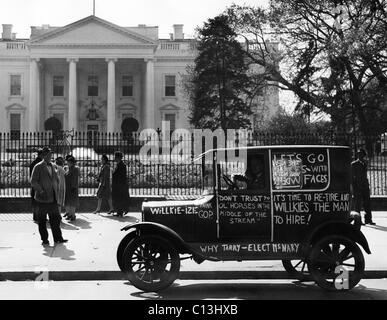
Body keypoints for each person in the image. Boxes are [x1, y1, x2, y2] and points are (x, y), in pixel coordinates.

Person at [30, 147, 68, 246]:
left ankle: (58, 238)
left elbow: (56, 179)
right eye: (48, 154)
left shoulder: (53, 166)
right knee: (42, 221)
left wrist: (57, 188)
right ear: (43, 155)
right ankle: (45, 240)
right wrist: (41, 191)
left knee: (55, 219)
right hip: (42, 199)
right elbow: (33, 181)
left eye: (51, 154)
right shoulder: (38, 166)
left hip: (53, 198)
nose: (50, 156)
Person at [351, 149, 376, 226]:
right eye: (359, 154)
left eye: (361, 154)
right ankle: (358, 220)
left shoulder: (365, 163)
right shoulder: (354, 164)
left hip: (365, 185)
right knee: (357, 205)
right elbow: (351, 177)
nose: (360, 156)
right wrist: (353, 187)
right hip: (357, 186)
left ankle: (368, 219)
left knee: (367, 203)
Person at [112, 151, 130, 217]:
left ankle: (120, 212)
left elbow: (121, 176)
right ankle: (119, 212)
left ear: (119, 158)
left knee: (120, 199)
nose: (114, 158)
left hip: (120, 185)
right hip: (118, 185)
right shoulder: (119, 165)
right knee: (118, 199)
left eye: (115, 157)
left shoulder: (122, 165)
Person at [29, 148, 43, 222]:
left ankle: (35, 216)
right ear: (41, 155)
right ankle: (40, 216)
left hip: (34, 184)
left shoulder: (33, 163)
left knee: (34, 200)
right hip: (40, 184)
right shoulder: (41, 163)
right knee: (40, 201)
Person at [64, 156, 79, 222]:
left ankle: (73, 215)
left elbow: (75, 179)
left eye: (69, 162)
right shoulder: (68, 168)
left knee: (72, 202)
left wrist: (73, 187)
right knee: (68, 201)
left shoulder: (75, 169)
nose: (67, 163)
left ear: (72, 163)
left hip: (72, 188)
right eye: (67, 162)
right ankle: (69, 214)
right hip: (67, 188)